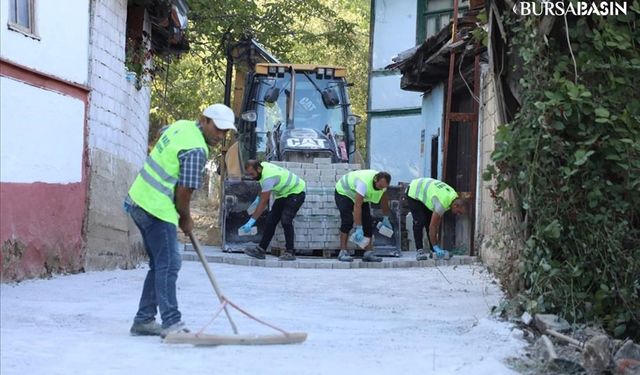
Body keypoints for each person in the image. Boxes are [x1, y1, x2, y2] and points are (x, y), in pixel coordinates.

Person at [124, 104, 236, 337]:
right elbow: (183, 193)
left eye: (225, 132)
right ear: (204, 120)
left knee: (159, 264)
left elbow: (162, 132)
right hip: (155, 208)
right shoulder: (196, 150)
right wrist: (186, 219)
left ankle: (144, 320)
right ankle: (172, 323)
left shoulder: (182, 126)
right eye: (217, 129)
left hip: (137, 200)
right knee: (170, 264)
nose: (220, 135)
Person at [241, 160, 306, 261]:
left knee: (286, 220)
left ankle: (290, 252)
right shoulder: (262, 167)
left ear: (258, 169)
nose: (251, 177)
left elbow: (263, 203)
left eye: (252, 174)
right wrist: (258, 197)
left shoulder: (268, 177)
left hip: (296, 191)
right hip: (283, 194)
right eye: (249, 174)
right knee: (270, 220)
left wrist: (251, 221)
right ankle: (261, 250)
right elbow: (263, 186)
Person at [334, 169, 392, 262]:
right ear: (375, 180)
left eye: (383, 187)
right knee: (347, 221)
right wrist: (358, 227)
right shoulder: (363, 183)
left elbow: (384, 200)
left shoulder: (383, 185)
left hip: (361, 195)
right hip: (344, 192)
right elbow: (357, 206)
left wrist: (386, 217)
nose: (381, 189)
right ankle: (343, 251)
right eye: (380, 186)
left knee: (367, 222)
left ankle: (368, 253)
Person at [405, 177, 467, 260]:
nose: (458, 214)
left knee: (429, 220)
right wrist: (436, 246)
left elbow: (435, 223)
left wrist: (435, 246)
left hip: (425, 192)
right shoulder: (442, 203)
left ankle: (433, 250)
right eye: (458, 212)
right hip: (414, 190)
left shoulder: (453, 196)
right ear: (455, 206)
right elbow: (433, 226)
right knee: (420, 221)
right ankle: (420, 251)